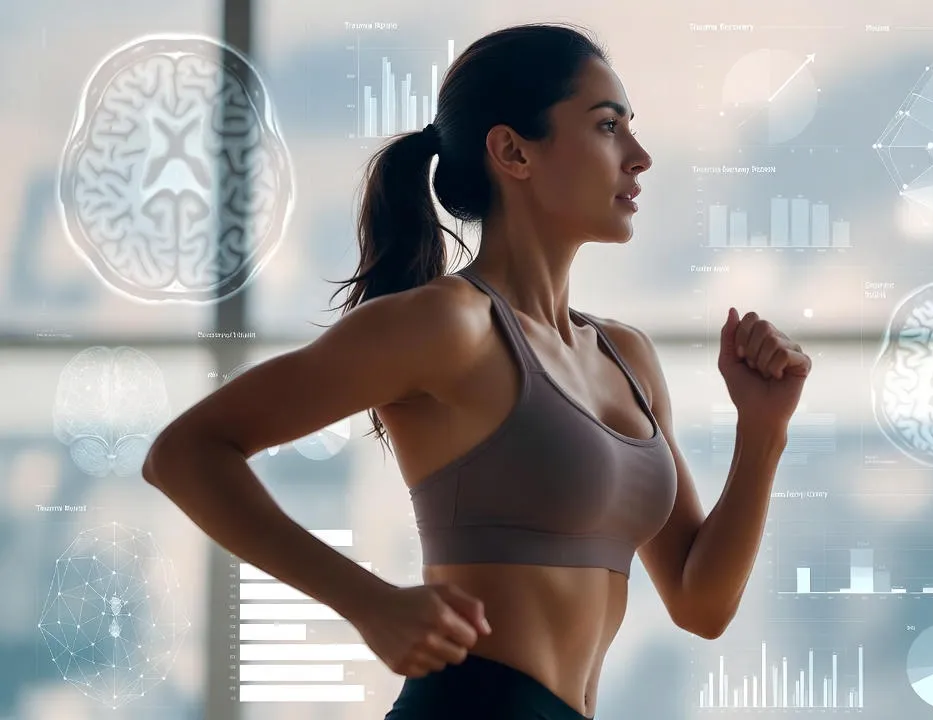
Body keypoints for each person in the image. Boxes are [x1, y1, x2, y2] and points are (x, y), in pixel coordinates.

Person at [142, 21, 812, 719]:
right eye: (608, 126)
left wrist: (763, 431)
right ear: (512, 151)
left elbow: (700, 603)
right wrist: (368, 603)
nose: (639, 157)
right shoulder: (445, 326)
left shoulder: (627, 356)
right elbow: (183, 453)